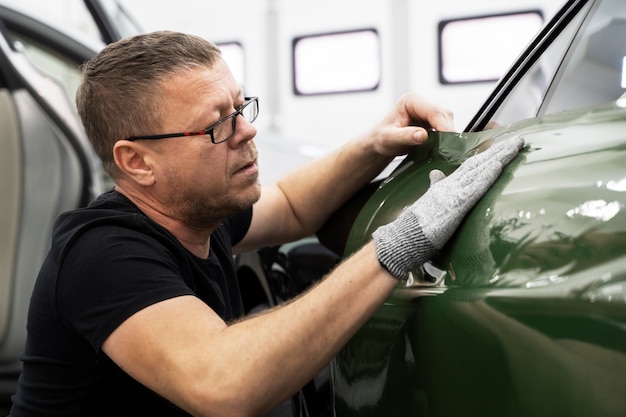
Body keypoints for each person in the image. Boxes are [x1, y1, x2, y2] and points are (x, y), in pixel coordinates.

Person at [9, 30, 523, 417]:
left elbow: (294, 205)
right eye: (218, 123)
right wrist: (407, 240)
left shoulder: (196, 216)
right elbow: (224, 382)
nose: (246, 129)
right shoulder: (101, 253)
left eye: (241, 106)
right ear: (137, 162)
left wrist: (375, 143)